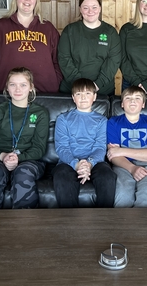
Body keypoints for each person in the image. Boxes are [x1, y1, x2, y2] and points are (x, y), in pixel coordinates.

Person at [0, 67, 49, 211]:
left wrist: (18, 159)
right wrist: (3, 156)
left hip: (29, 160)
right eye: (12, 84)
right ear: (7, 88)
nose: (17, 89)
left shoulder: (40, 113)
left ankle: (24, 230)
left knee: (23, 174)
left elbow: (39, 149)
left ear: (31, 88)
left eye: (23, 85)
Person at [0, 0, 62, 93]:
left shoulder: (48, 28)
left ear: (36, 0)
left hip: (45, 92)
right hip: (10, 93)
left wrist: (54, 81)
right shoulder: (0, 26)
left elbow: (59, 59)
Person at [52, 78, 116, 207]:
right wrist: (76, 164)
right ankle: (70, 222)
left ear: (94, 96)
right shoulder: (63, 119)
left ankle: (104, 221)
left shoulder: (101, 120)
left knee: (107, 176)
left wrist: (89, 164)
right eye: (78, 94)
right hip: (67, 162)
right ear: (73, 97)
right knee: (62, 177)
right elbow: (62, 147)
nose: (83, 98)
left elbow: (100, 147)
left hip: (96, 162)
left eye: (87, 93)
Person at [107, 86, 147, 207]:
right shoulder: (113, 122)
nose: (133, 101)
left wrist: (121, 150)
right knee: (122, 193)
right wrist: (132, 168)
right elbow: (113, 155)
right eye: (128, 98)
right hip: (122, 165)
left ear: (143, 104)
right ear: (122, 104)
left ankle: (141, 225)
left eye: (137, 98)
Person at [58, 0, 121, 96]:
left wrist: (97, 85)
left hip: (102, 91)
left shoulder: (110, 32)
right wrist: (81, 86)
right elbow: (64, 59)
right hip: (73, 90)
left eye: (94, 7)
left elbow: (114, 61)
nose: (90, 11)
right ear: (80, 9)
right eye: (85, 8)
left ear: (100, 8)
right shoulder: (69, 30)